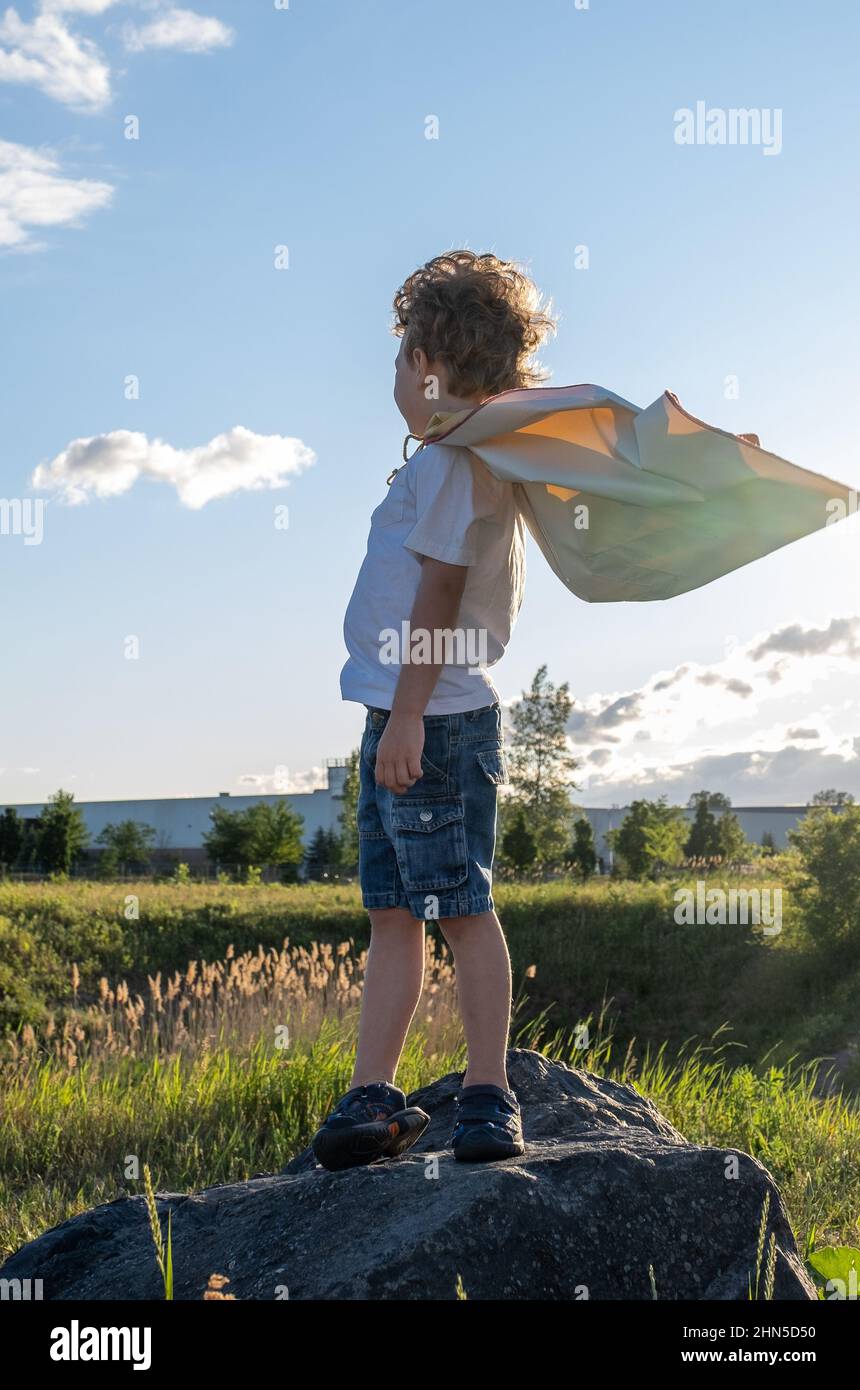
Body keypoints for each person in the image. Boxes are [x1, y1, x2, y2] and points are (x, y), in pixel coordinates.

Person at [311, 251, 554, 1171]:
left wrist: (409, 718)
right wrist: (393, 716)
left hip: (434, 718)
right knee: (392, 913)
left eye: (402, 354)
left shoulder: (456, 465)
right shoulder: (446, 462)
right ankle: (376, 1093)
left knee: (460, 908)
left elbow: (440, 594)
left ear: (428, 367)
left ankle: (488, 1094)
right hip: (400, 713)